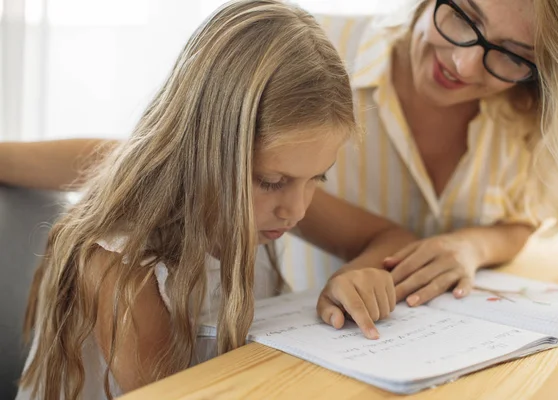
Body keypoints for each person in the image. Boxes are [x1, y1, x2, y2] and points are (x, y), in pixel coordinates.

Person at [15, 1, 414, 398]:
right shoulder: (123, 268)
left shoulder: (265, 203)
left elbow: (391, 239)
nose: (298, 209)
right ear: (204, 154)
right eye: (272, 181)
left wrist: (356, 274)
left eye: (318, 177)